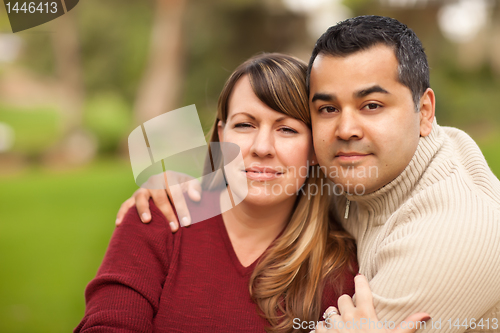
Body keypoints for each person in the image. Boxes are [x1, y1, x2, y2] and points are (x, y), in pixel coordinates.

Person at [118, 16, 500, 332]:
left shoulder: (455, 235)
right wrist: (187, 185)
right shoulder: (349, 169)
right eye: (328, 109)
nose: (346, 129)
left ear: (425, 111)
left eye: (371, 104)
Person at [77, 53, 376, 333]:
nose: (261, 148)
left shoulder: (340, 270)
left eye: (287, 129)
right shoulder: (158, 217)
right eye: (245, 124)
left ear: (314, 149)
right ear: (222, 135)